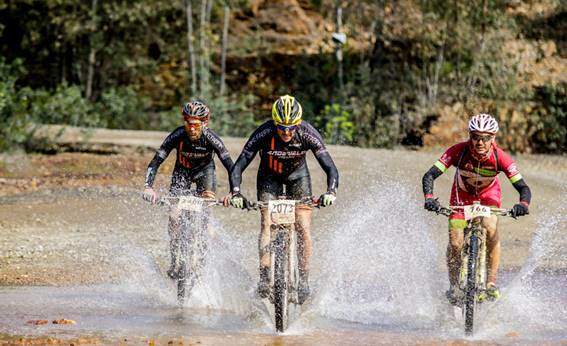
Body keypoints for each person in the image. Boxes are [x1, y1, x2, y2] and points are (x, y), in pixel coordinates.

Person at [227, 95, 339, 304]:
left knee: (303, 226)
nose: (286, 132)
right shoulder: (264, 132)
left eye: (291, 128)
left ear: (298, 124)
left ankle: (304, 280)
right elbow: (240, 164)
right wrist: (235, 191)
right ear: (274, 123)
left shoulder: (307, 133)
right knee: (267, 223)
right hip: (269, 177)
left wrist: (330, 192)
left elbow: (330, 166)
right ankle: (264, 277)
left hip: (299, 177)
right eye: (281, 127)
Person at [421, 113, 531, 302]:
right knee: (455, 242)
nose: (480, 142)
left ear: (493, 138)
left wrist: (523, 204)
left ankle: (491, 283)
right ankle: (454, 286)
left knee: (490, 227)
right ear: (469, 136)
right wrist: (429, 198)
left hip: (489, 196)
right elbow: (429, 175)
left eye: (485, 138)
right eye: (475, 137)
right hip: (461, 197)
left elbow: (523, 187)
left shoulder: (500, 157)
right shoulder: (458, 151)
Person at [142, 100, 234, 279]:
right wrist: (148, 187)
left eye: (196, 124)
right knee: (174, 216)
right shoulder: (177, 135)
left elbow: (230, 165)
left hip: (205, 174)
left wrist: (234, 191)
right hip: (182, 173)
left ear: (204, 123)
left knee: (206, 221)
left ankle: (202, 256)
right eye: (188, 123)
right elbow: (156, 161)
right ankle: (175, 258)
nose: (191, 128)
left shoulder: (211, 137)